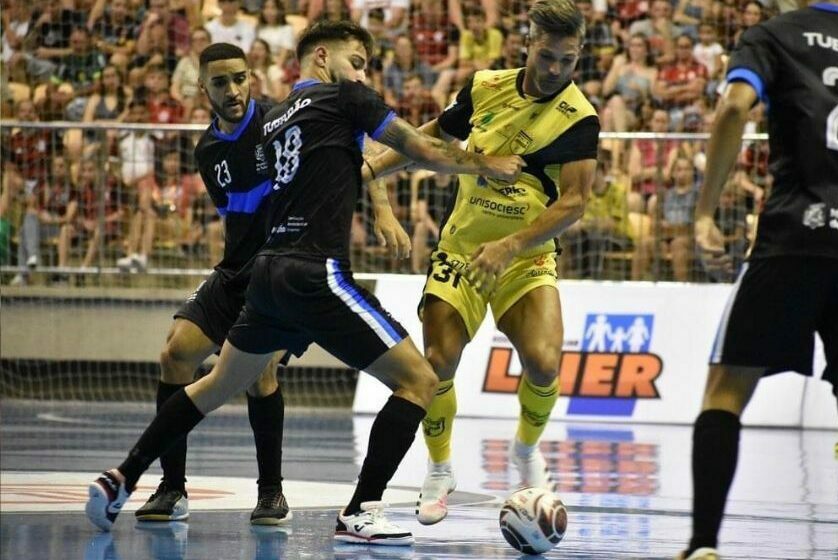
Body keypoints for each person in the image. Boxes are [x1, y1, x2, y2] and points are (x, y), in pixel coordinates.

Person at [85, 21, 524, 546]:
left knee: (212, 386)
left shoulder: (273, 119)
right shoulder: (347, 99)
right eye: (357, 62)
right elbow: (420, 148)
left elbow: (341, 167)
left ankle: (123, 477)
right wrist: (489, 165)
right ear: (322, 57)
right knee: (420, 381)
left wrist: (376, 205)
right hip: (317, 272)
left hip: (267, 274)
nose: (363, 74)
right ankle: (360, 510)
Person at [367, 0, 599, 526]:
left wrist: (512, 246)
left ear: (578, 54)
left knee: (543, 362)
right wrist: (369, 171)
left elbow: (575, 203)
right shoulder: (485, 86)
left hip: (526, 257)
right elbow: (428, 142)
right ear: (528, 42)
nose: (555, 70)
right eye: (547, 56)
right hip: (461, 250)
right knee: (438, 360)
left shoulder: (579, 117)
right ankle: (441, 468)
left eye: (567, 60)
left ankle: (524, 450)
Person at [681, 3, 838, 559]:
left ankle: (703, 546)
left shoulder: (776, 34)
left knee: (725, 391)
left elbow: (733, 109)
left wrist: (705, 212)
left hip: (796, 236)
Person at [129, 43, 290, 526]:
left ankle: (271, 493)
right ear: (203, 89)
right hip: (235, 269)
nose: (233, 89)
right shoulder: (207, 150)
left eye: (240, 78)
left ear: (251, 79)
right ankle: (172, 489)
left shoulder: (280, 124)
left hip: (280, 271)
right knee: (176, 354)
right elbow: (231, 216)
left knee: (258, 374)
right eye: (220, 82)